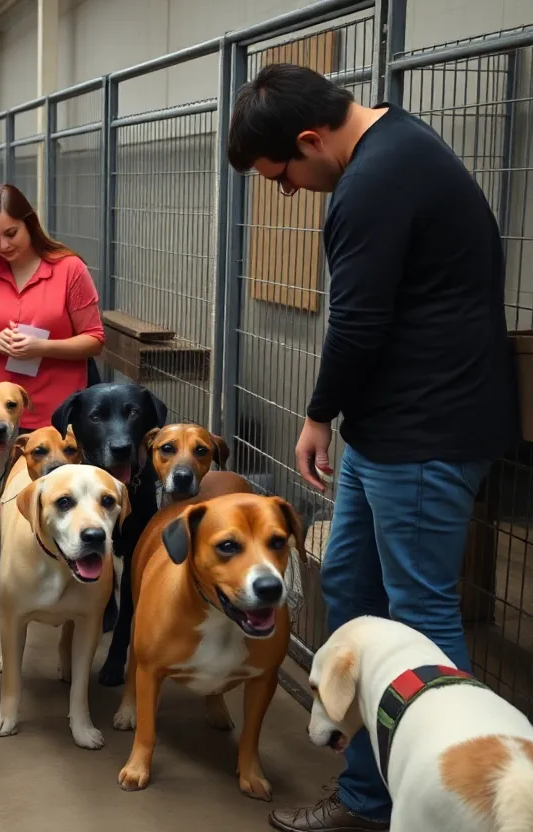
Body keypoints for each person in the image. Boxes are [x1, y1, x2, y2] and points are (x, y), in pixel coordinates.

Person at [226, 64, 518, 832]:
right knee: (353, 590)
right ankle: (369, 795)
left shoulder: (375, 181)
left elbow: (357, 322)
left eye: (282, 175)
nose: (287, 190)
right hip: (391, 430)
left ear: (311, 139)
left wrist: (318, 413)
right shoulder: (399, 148)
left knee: (418, 619)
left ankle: (453, 810)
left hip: (425, 432)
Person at [0, 184, 105, 432]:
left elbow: (95, 339)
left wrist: (42, 347)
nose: (3, 245)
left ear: (29, 223)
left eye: (11, 233)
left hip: (55, 415)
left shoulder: (69, 269)